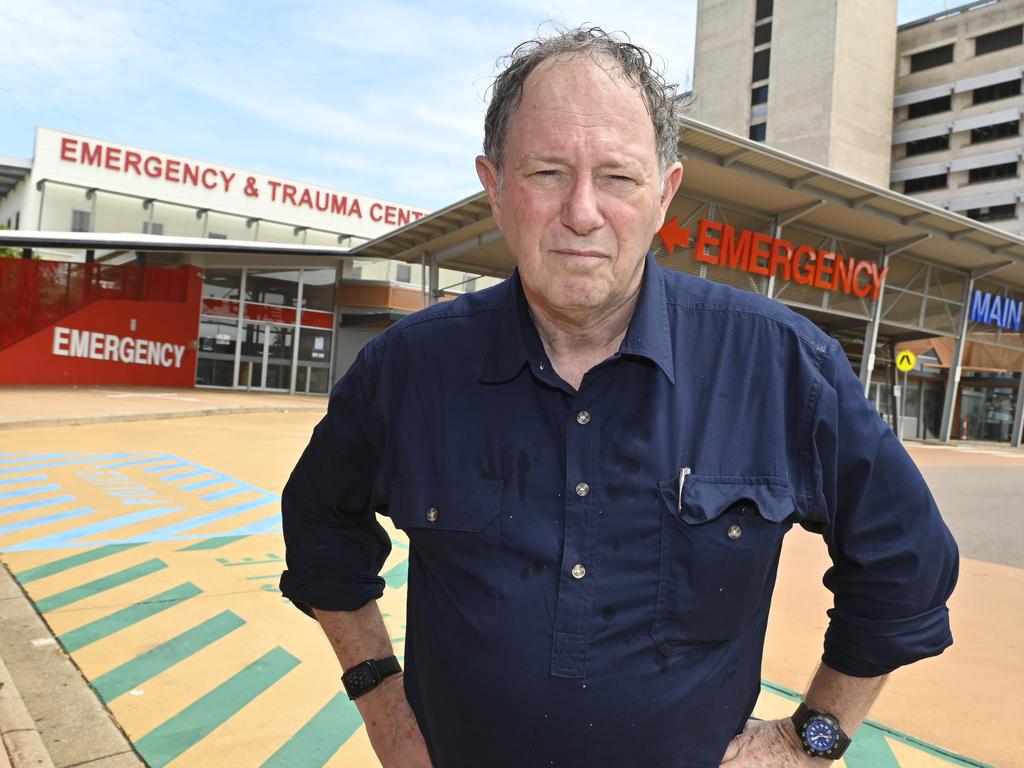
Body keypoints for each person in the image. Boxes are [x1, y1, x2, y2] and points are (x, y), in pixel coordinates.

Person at [280, 26, 958, 767]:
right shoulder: (405, 371)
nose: (581, 211)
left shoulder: (781, 365)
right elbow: (320, 525)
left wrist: (812, 740)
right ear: (495, 185)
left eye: (617, 177)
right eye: (546, 172)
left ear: (665, 194)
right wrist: (379, 694)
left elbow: (907, 565)